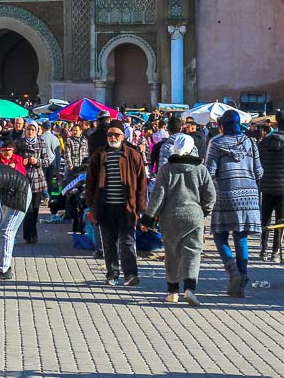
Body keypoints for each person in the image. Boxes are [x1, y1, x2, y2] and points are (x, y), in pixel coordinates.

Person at [140, 134, 215, 305]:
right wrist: (204, 210)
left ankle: (172, 291)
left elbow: (157, 196)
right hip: (194, 217)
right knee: (192, 253)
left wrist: (148, 219)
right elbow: (211, 194)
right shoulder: (200, 169)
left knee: (172, 253)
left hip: (170, 217)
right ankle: (189, 288)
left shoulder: (166, 170)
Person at [85, 119, 147, 286]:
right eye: (110, 134)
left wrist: (141, 207)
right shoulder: (99, 155)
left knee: (128, 242)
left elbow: (142, 183)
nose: (113, 137)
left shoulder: (133, 155)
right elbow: (90, 183)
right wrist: (92, 205)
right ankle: (112, 274)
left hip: (127, 208)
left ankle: (131, 275)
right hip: (105, 207)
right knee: (109, 243)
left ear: (123, 136)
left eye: (116, 134)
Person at [207, 110, 262, 299]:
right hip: (249, 194)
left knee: (219, 235)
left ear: (222, 125)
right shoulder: (250, 142)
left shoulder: (216, 143)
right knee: (241, 238)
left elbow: (210, 171)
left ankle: (233, 273)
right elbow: (259, 171)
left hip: (226, 193)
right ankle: (242, 281)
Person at [257, 113, 284, 262]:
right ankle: (275, 252)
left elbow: (258, 164)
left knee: (265, 220)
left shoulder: (263, 143)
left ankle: (263, 250)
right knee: (280, 221)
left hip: (266, 187)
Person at [16, 122, 50, 244]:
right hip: (24, 178)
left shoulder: (41, 142)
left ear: (36, 131)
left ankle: (33, 234)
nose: (30, 132)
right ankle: (27, 235)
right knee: (26, 209)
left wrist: (37, 161)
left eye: (32, 129)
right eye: (28, 129)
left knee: (35, 209)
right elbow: (14, 159)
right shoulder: (19, 143)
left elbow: (47, 161)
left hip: (37, 179)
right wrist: (21, 162)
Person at [39, 121, 62, 197]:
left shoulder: (40, 138)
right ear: (50, 128)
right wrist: (58, 166)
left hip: (42, 162)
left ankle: (44, 196)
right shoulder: (55, 138)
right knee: (50, 181)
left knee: (43, 180)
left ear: (42, 127)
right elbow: (58, 154)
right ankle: (49, 197)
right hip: (52, 163)